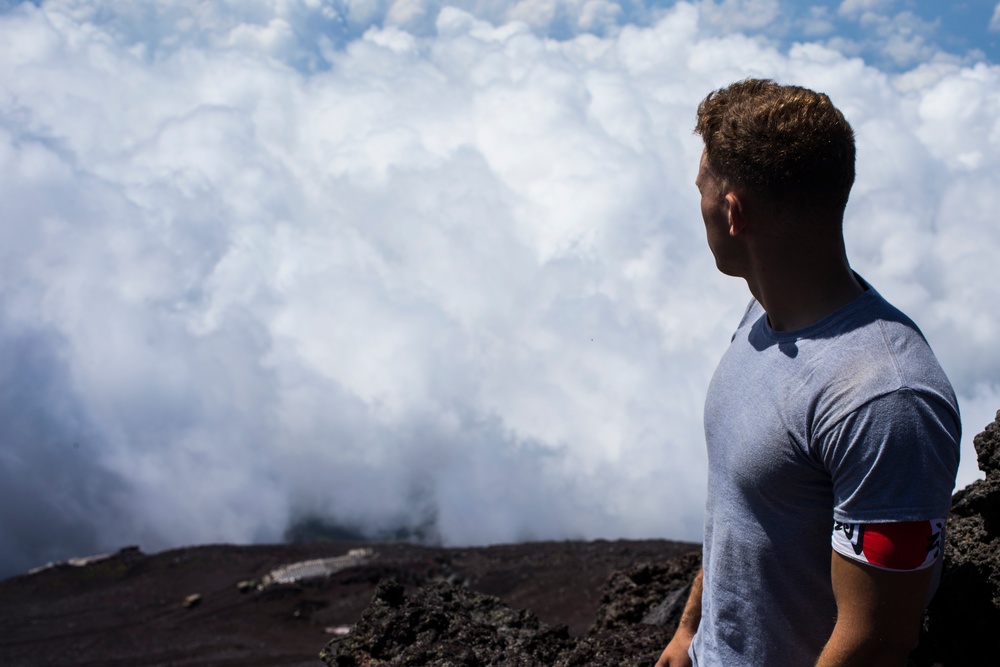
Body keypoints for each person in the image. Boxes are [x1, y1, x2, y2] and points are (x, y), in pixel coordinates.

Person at [656, 79, 961, 667]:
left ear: (733, 211)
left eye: (701, 187)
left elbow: (877, 639)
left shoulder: (884, 397)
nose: (697, 203)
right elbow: (743, 506)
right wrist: (691, 631)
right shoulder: (762, 317)